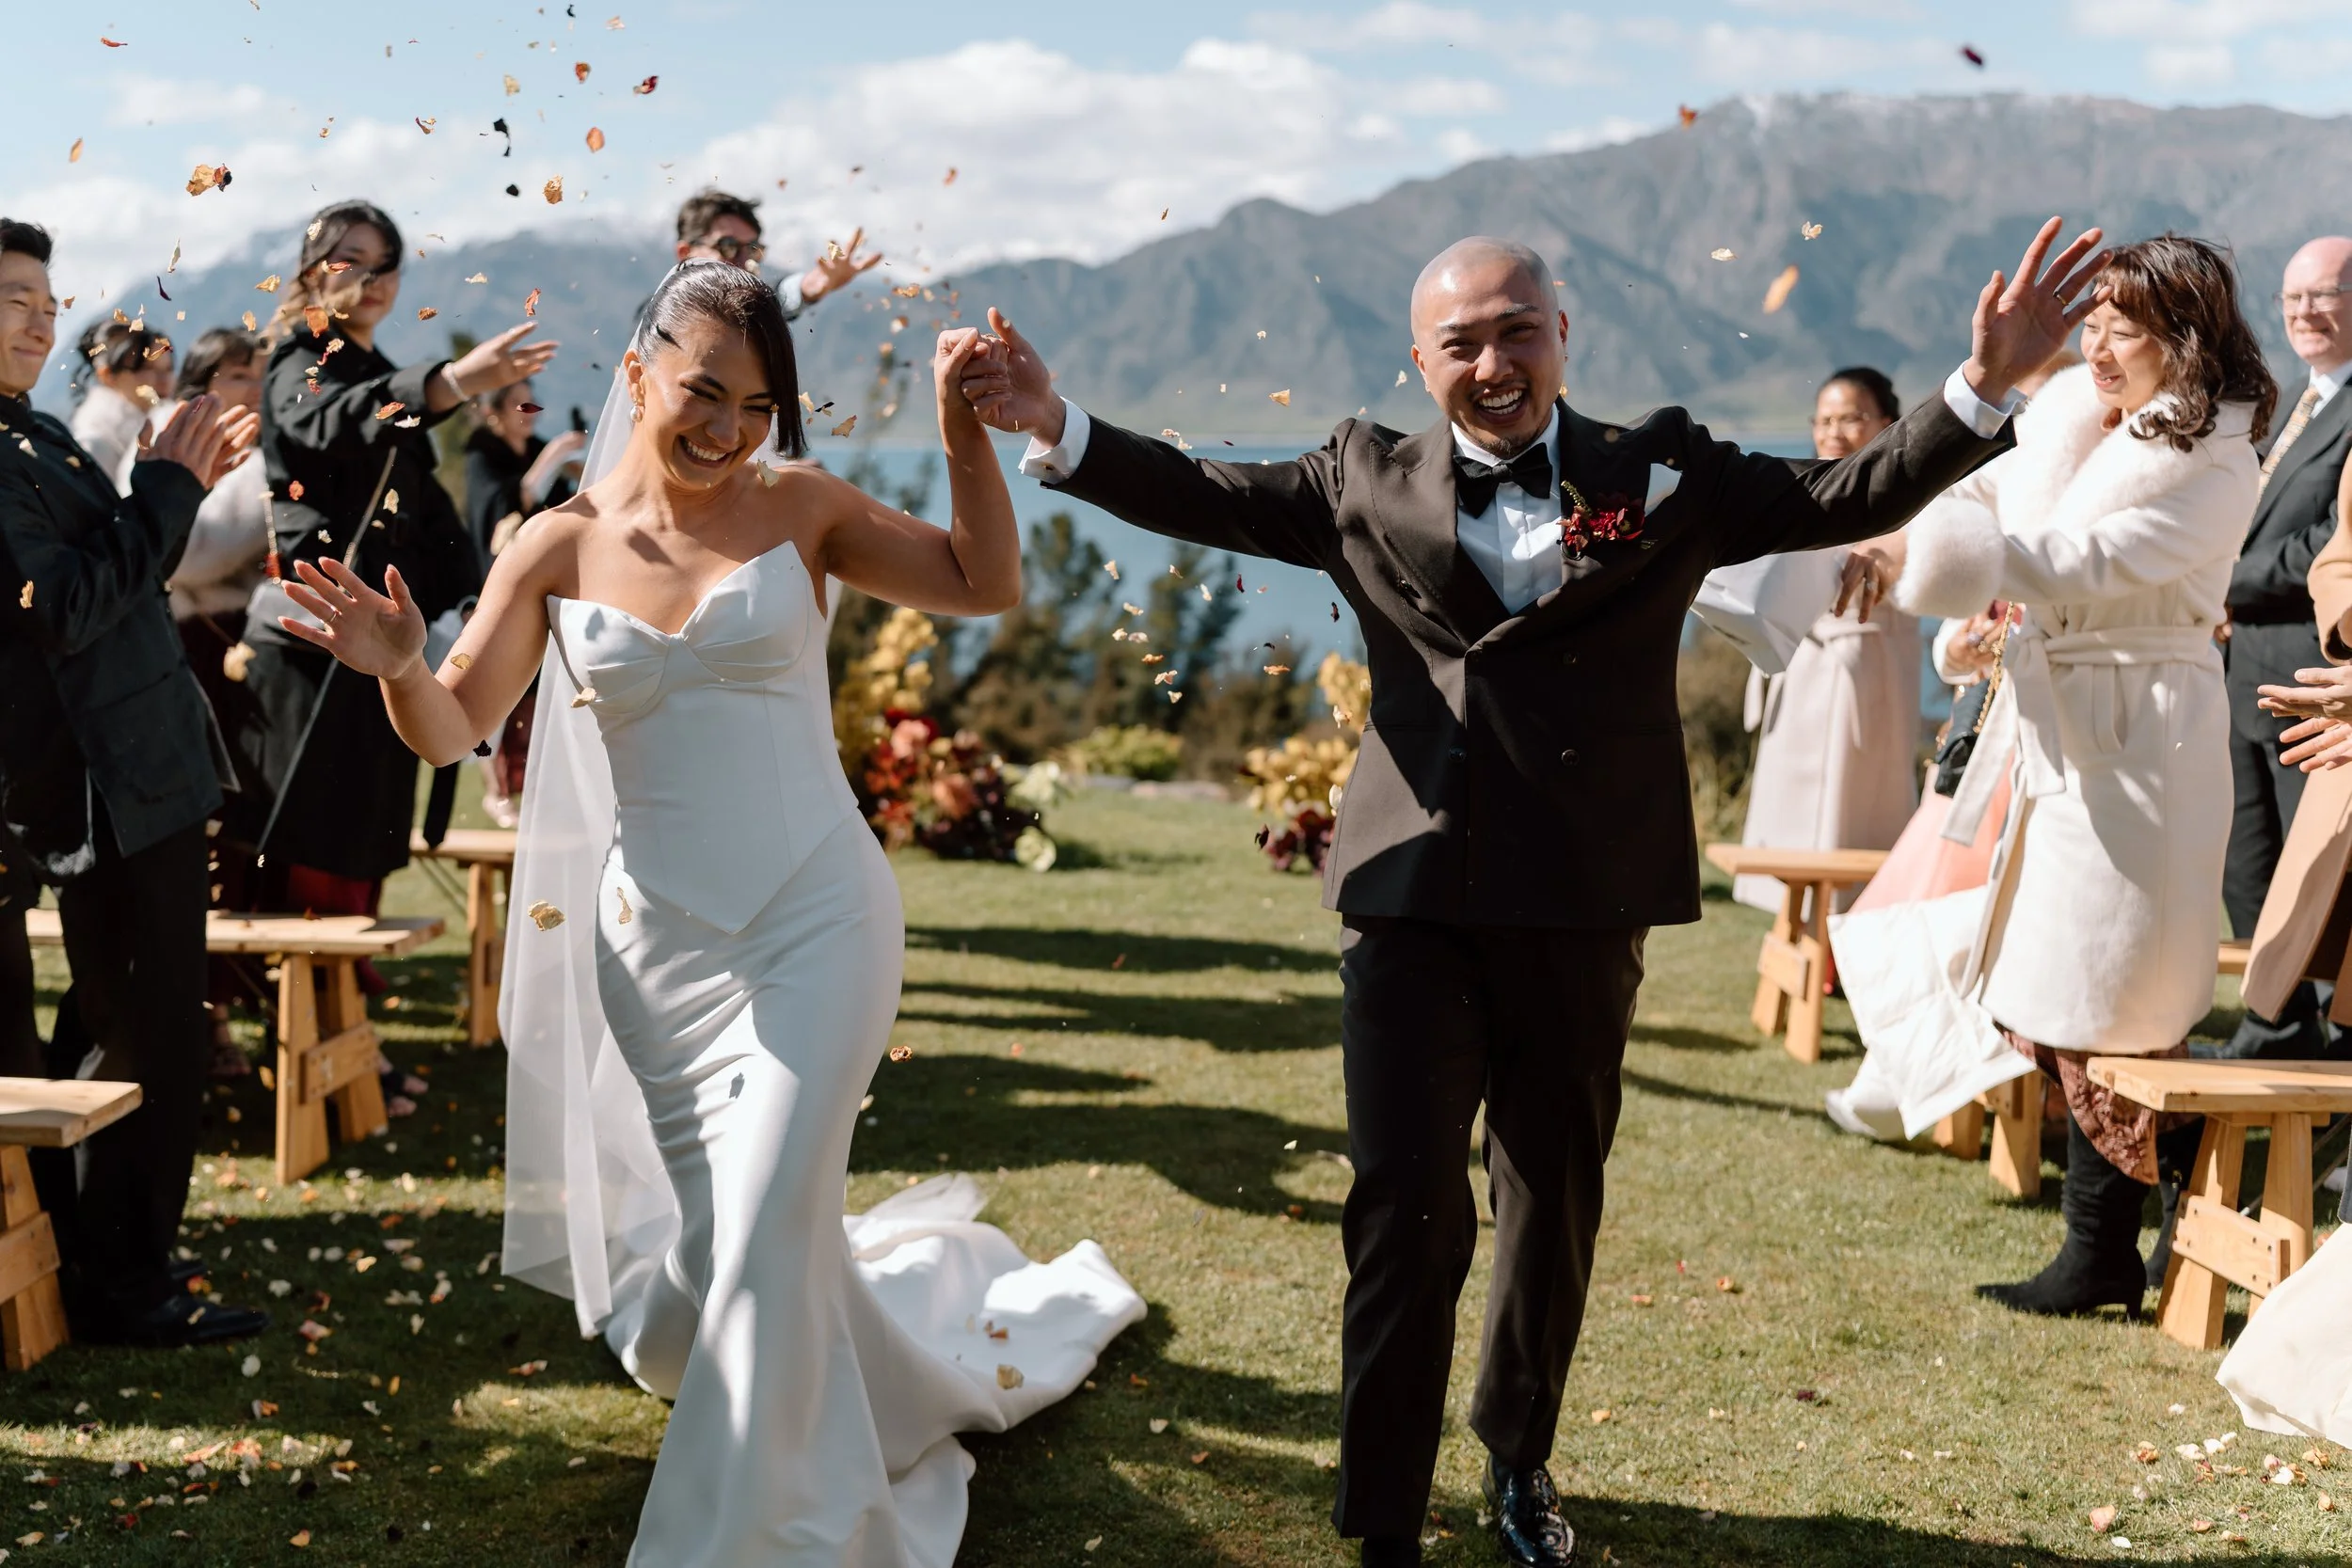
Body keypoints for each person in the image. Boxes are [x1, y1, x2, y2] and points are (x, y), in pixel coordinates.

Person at [957, 217, 2100, 1568]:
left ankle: (1517, 1453)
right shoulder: (1357, 473)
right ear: (1419, 360)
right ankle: (1383, 1511)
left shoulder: (1663, 468)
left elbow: (1841, 496)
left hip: (1582, 896)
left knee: (1549, 1196)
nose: (1492, 363)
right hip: (1409, 897)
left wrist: (1985, 386)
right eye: (1461, 342)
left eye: (1516, 332)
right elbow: (1202, 488)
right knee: (1402, 1203)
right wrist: (1057, 422)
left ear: (1563, 335)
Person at [274, 260, 1142, 1565]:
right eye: (703, 392)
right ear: (638, 376)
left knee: (769, 1218)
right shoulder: (553, 546)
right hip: (658, 955)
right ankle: (864, 1395)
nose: (729, 428)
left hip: (817, 922)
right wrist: (400, 664)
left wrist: (961, 433)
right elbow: (453, 725)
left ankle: (761, 1535)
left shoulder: (801, 505)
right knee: (738, 1240)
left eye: (756, 404)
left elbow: (982, 580)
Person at [1853, 234, 2275, 1322]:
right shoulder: (2065, 425)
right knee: (2059, 984)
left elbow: (2095, 562)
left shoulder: (2216, 456)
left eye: (2121, 329)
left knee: (2116, 994)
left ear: (2183, 338)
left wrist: (1950, 564)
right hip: (2061, 733)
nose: (2095, 346)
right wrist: (1960, 601)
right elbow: (1985, 508)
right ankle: (2123, 1230)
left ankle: (2105, 1246)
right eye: (2090, 323)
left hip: (2147, 739)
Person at [0, 215, 271, 1345]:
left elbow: (114, 572)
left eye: (46, 300)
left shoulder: (30, 430)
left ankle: (103, 1249)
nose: (40, 320)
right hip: (96, 778)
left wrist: (173, 482)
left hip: (140, 767)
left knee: (122, 1014)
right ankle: (126, 1282)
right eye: (13, 299)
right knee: (149, 1022)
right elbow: (60, 607)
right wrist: (164, 485)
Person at [239, 199, 549, 934]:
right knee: (317, 829)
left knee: (370, 819)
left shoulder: (381, 371)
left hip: (385, 631)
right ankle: (313, 985)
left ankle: (350, 986)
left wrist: (480, 594)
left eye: (385, 265)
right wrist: (451, 383)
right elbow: (336, 419)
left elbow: (425, 513)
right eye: (350, 259)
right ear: (311, 271)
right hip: (314, 635)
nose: (371, 279)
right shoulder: (297, 358)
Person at [126, 327, 274, 1074]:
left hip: (244, 650)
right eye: (239, 373)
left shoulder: (261, 442)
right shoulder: (169, 433)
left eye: (260, 373)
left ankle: (226, 1008)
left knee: (243, 830)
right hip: (188, 647)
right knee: (201, 832)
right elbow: (180, 552)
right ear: (204, 379)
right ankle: (199, 1023)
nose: (254, 387)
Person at [2218, 237, 2352, 1060]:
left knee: (2321, 871)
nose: (2305, 311)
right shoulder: (2292, 403)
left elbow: (2329, 544)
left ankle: (2331, 1039)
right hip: (2244, 669)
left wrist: (2224, 581)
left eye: (2325, 293)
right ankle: (2277, 1021)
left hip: (2317, 671)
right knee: (2249, 862)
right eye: (2292, 297)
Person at [1733, 367, 1922, 914]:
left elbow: (1917, 557)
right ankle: (1793, 927)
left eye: (1851, 418)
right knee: (1790, 817)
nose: (1833, 431)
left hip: (1866, 673)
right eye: (1824, 420)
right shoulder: (1802, 491)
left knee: (1856, 812)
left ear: (1887, 424)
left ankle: (1846, 931)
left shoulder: (1912, 493)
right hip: (1799, 668)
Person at [670, 186, 881, 316]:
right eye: (728, 247)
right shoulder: (662, 321)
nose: (744, 262)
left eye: (753, 250)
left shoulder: (745, 317)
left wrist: (807, 287)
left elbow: (765, 303)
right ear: (685, 253)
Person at [462, 379, 583, 562]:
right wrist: (555, 453)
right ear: (494, 410)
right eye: (515, 402)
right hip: (509, 561)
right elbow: (506, 509)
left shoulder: (535, 448)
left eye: (530, 401)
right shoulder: (482, 453)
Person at [67, 317, 172, 483]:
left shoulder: (164, 422)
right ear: (108, 376)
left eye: (168, 368)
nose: (164, 380)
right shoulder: (95, 445)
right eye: (147, 368)